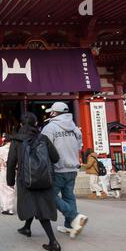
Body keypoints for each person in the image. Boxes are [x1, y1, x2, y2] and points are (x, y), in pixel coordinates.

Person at [6, 112, 62, 251]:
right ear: (36, 124)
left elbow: (11, 163)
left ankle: (53, 241)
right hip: (43, 179)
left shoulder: (16, 141)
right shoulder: (43, 138)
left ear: (21, 125)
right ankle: (27, 227)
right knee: (38, 205)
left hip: (25, 179)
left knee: (38, 209)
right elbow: (55, 158)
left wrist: (10, 181)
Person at [41, 102, 88, 239]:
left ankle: (75, 217)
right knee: (69, 196)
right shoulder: (75, 129)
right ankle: (69, 226)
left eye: (51, 112)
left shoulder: (50, 128)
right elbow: (79, 147)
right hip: (72, 168)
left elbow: (44, 148)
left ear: (54, 113)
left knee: (48, 196)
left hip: (57, 169)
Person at [0, 135, 15, 215]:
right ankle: (10, 209)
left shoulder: (1, 149)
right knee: (11, 189)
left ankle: (4, 208)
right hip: (12, 171)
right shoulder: (14, 149)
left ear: (5, 141)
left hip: (3, 171)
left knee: (3, 189)